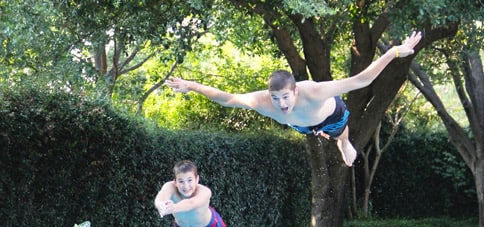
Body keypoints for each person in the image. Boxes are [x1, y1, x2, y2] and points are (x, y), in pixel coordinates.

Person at [165, 31, 422, 167]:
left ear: (295, 91)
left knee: (340, 135)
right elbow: (228, 98)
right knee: (313, 131)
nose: (281, 104)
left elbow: (361, 80)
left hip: (331, 117)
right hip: (303, 126)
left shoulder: (313, 91)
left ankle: (342, 142)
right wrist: (191, 85)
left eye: (285, 97)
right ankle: (332, 139)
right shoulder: (262, 101)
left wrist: (394, 53)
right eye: (276, 98)